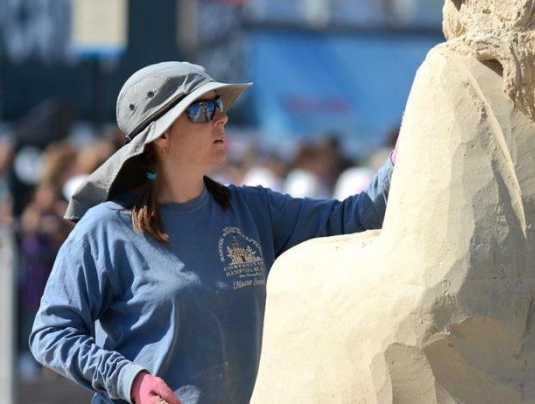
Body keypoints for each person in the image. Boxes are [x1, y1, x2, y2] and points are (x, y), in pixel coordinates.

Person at [29, 61, 395, 403]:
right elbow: (50, 333)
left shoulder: (255, 210)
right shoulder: (106, 228)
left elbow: (356, 216)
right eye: (202, 109)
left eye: (219, 105)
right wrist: (131, 380)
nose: (222, 117)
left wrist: (406, 151)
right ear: (161, 136)